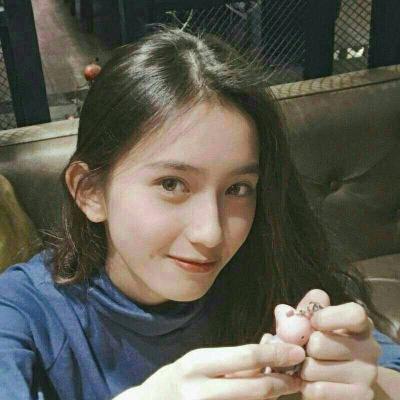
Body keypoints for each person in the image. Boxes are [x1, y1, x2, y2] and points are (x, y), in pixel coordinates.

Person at [0, 27, 399, 400]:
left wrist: (367, 382)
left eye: (237, 189)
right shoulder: (24, 311)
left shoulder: (269, 266)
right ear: (90, 192)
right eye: (172, 184)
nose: (211, 233)